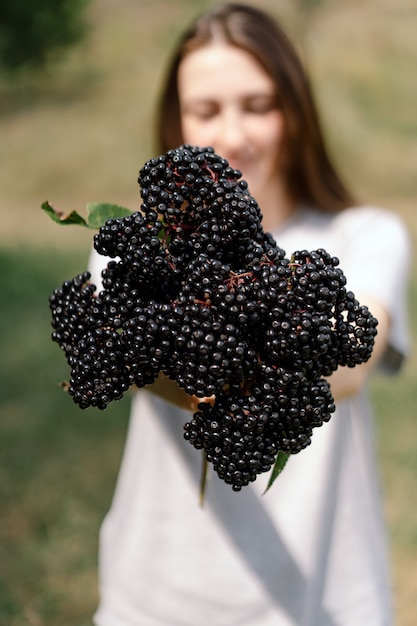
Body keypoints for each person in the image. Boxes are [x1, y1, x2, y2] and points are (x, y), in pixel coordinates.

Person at [89, 4, 411, 625]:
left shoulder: (366, 236)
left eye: (258, 105)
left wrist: (204, 348)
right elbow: (144, 363)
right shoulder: (130, 249)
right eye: (206, 110)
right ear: (176, 122)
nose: (233, 135)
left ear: (298, 112)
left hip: (321, 601)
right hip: (159, 596)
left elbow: (349, 362)